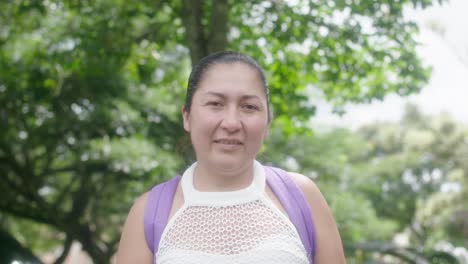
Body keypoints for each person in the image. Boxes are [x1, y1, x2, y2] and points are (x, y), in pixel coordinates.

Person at [116, 51, 345, 263]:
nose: (232, 123)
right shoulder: (147, 213)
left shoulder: (301, 196)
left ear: (267, 122)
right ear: (187, 117)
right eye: (215, 104)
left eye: (248, 106)